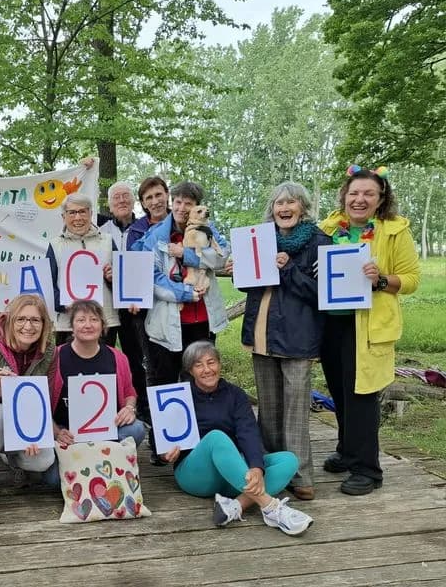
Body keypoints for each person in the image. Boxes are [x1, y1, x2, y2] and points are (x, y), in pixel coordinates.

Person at [319, 165, 420, 496]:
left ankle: (368, 469)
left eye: (368, 194)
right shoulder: (329, 227)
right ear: (344, 196)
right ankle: (348, 452)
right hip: (333, 322)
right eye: (354, 193)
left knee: (363, 396)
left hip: (370, 325)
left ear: (381, 199)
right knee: (340, 391)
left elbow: (411, 280)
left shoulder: (394, 231)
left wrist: (380, 279)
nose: (359, 199)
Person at [237, 182, 332, 501]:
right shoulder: (259, 239)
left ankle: (302, 476)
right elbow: (250, 287)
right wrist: (240, 271)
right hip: (262, 334)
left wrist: (289, 269)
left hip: (298, 337)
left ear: (303, 208)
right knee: (269, 409)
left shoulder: (319, 241)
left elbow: (323, 294)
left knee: (295, 411)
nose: (284, 208)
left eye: (291, 202)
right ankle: (275, 471)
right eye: (279, 203)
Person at [159, 341, 314, 536]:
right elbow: (161, 438)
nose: (207, 369)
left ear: (219, 364)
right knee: (216, 437)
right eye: (199, 365)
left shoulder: (235, 395)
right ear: (191, 370)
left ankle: (235, 506)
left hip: (233, 474)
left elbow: (248, 431)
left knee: (289, 460)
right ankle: (271, 507)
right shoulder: (178, 396)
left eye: (211, 362)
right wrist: (164, 453)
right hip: (196, 475)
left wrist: (256, 467)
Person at [0, 294, 57, 520]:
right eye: (21, 319)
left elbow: (48, 396)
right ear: (10, 320)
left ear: (44, 324)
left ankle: (13, 459)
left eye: (35, 320)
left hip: (27, 422)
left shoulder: (50, 351)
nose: (28, 326)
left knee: (43, 460)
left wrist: (39, 431)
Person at [44, 300, 146, 486]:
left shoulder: (117, 357)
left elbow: (129, 392)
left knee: (137, 429)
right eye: (81, 320)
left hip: (106, 434)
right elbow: (41, 404)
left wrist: (130, 408)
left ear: (103, 326)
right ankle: (101, 466)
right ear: (71, 327)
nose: (88, 325)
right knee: (52, 480)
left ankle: (95, 464)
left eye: (94, 319)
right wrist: (57, 432)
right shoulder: (55, 357)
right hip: (68, 436)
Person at [140, 181, 230, 387]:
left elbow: (222, 257)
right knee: (166, 382)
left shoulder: (208, 228)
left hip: (201, 321)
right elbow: (152, 277)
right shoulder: (156, 236)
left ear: (197, 207)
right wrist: (185, 293)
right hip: (167, 321)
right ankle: (168, 420)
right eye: (178, 202)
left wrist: (187, 254)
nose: (181, 208)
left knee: (201, 382)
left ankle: (202, 420)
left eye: (188, 204)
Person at [98, 181, 148, 419]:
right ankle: (104, 408)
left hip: (134, 305)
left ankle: (140, 409)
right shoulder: (100, 227)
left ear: (133, 201)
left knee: (136, 358)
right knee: (103, 355)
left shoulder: (144, 226)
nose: (121, 201)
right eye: (116, 197)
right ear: (109, 204)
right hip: (106, 303)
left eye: (126, 196)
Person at [46, 193, 119, 345]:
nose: (77, 217)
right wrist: (62, 304)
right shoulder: (55, 245)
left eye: (82, 212)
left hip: (104, 321)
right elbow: (48, 283)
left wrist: (113, 278)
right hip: (67, 324)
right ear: (63, 217)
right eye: (72, 212)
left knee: (104, 367)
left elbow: (123, 283)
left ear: (91, 214)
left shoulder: (107, 241)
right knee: (67, 367)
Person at [127, 176, 170, 251]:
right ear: (143, 204)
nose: (155, 202)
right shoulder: (135, 231)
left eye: (158, 195)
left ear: (167, 195)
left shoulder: (181, 223)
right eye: (149, 198)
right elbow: (132, 261)